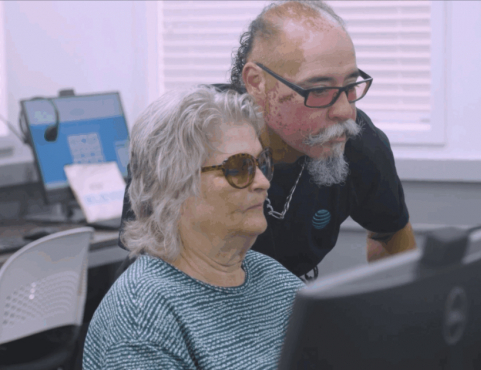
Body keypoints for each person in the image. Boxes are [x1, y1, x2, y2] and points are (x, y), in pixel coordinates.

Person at [117, 0, 416, 280]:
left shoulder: (356, 139)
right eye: (319, 90)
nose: (345, 111)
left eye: (351, 85)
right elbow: (151, 269)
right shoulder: (186, 137)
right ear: (257, 83)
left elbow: (390, 232)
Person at [84, 86, 304, 369]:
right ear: (175, 186)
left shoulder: (275, 281)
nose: (263, 182)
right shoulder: (141, 319)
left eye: (261, 164)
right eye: (239, 168)